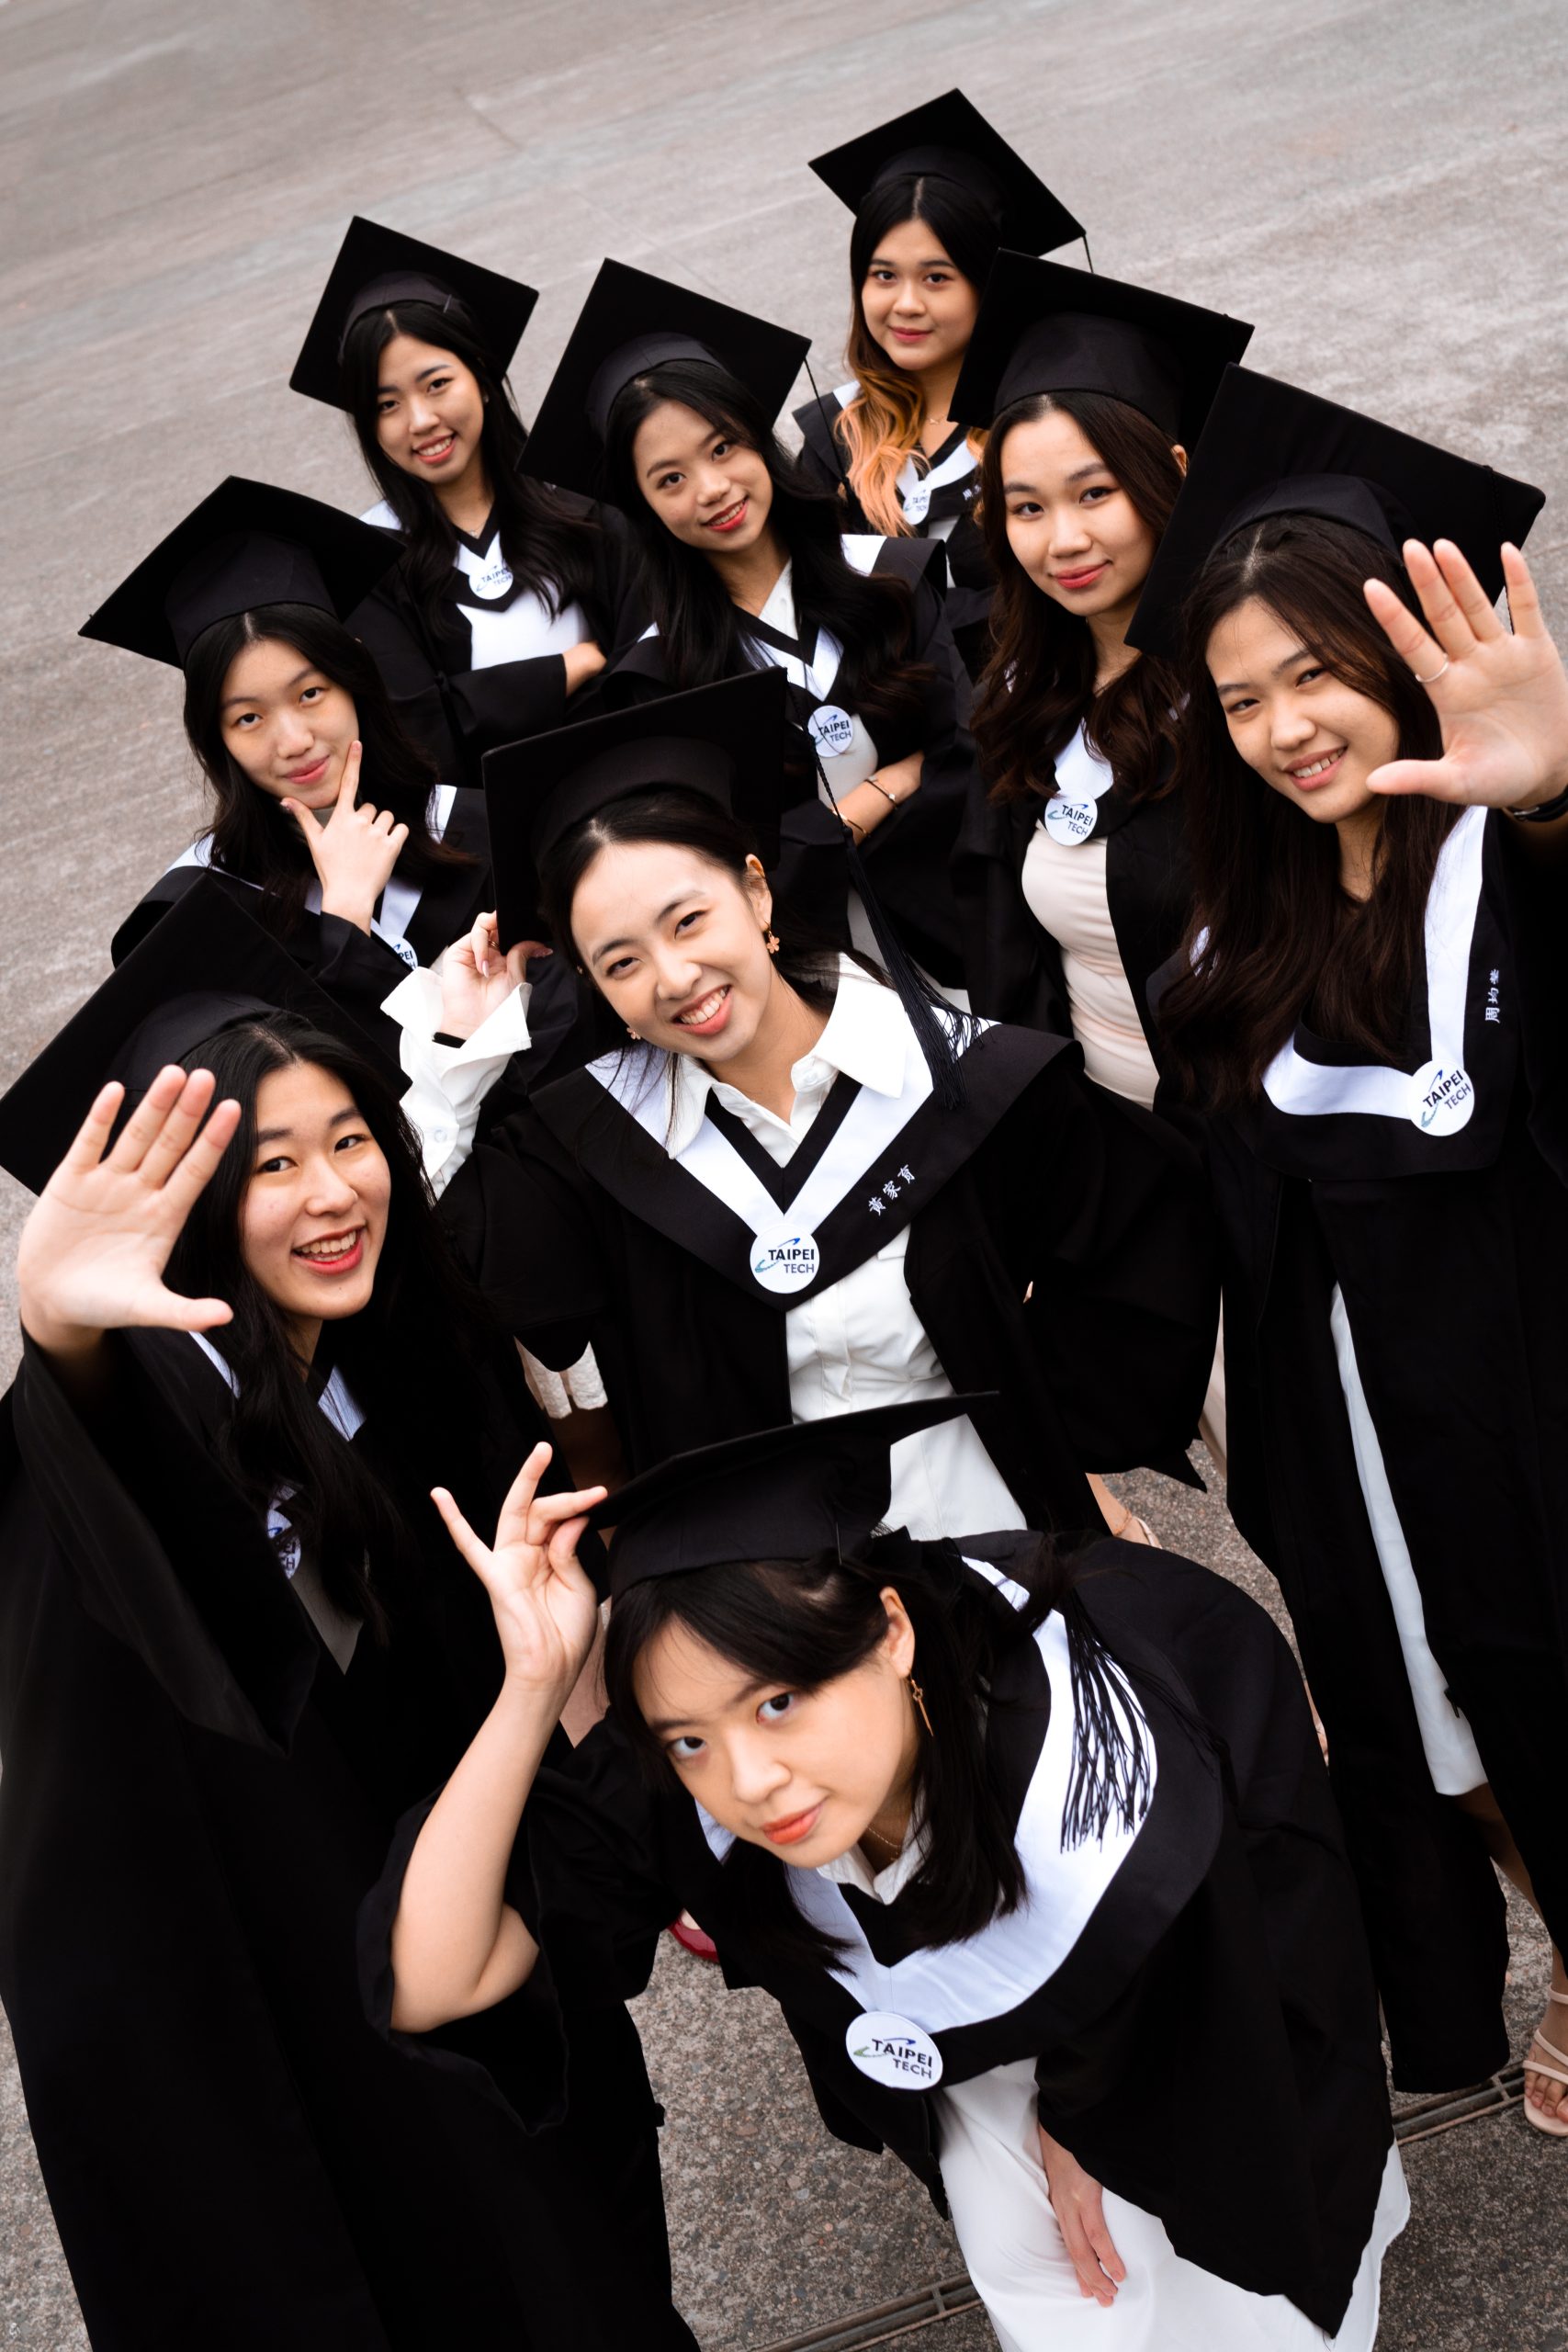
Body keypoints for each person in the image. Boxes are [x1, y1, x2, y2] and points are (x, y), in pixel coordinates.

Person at [0, 885, 695, 2350]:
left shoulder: (400, 1352)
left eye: (349, 1140)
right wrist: (63, 1338)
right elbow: (130, 1550)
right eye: (269, 1165)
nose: (331, 1193)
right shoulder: (148, 1405)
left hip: (467, 1931)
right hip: (270, 2001)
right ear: (187, 1202)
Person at [369, 1402, 1408, 2350]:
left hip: (1196, 2033)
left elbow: (1234, 1943)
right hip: (977, 2082)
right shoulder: (687, 1774)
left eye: (780, 1702)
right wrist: (534, 1685)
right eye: (686, 1737)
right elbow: (432, 1980)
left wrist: (1089, 2113)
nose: (748, 1781)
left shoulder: (1100, 1721)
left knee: (1224, 2293)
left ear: (894, 1631)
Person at [1133, 361, 1567, 2126]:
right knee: (1458, 1730)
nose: (1284, 726)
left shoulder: (1511, 861)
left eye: (1313, 671)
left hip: (1546, 1387)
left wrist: (1550, 799)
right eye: (1240, 698)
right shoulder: (1246, 929)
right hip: (1394, 1431)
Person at [397, 673, 1218, 1544]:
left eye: (687, 921)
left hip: (996, 1529)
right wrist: (462, 1044)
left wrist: (1049, 1426)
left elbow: (1140, 1239)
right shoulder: (593, 1146)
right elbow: (437, 1252)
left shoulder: (950, 1077)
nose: (674, 979)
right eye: (620, 962)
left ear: (756, 891)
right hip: (764, 1583)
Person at [519, 260, 977, 996]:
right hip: (812, 975)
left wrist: (828, 825)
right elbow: (727, 864)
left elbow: (973, 748)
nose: (712, 489)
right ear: (642, 506)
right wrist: (885, 789)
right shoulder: (658, 678)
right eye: (669, 479)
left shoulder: (889, 577)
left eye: (722, 447)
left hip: (968, 924)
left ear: (759, 441)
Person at [291, 217, 641, 788]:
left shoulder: (582, 505)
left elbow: (646, 662)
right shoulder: (368, 560)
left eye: (436, 384)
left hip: (633, 778)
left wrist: (478, 701)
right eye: (386, 405)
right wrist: (569, 667)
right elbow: (418, 731)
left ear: (481, 374)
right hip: (491, 820)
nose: (420, 420)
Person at [794, 91, 1085, 677]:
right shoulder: (837, 436)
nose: (905, 304)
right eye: (883, 275)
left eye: (936, 278)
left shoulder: (1046, 419)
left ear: (988, 283)